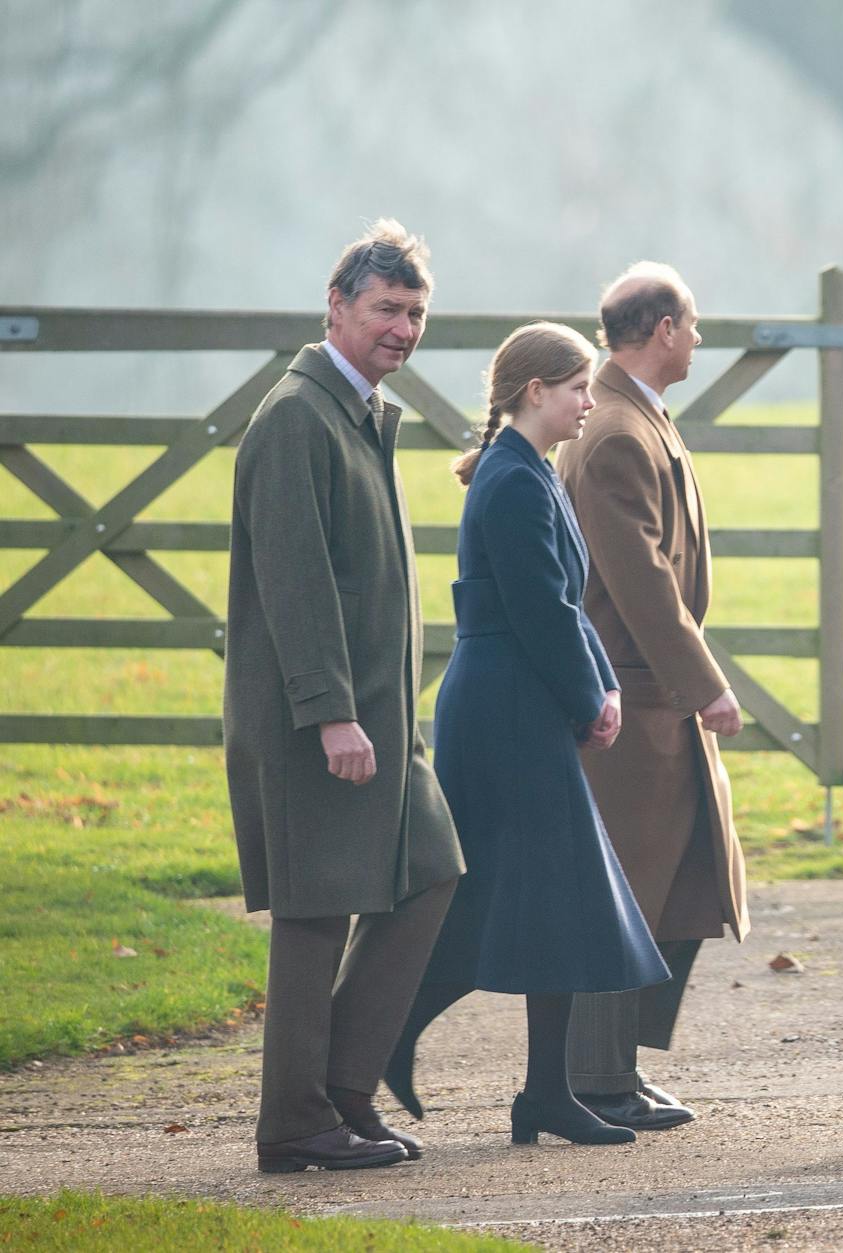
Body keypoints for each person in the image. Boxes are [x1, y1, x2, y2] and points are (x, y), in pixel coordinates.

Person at [382, 322, 671, 1147]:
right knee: (517, 896)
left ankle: (542, 1092)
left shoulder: (529, 470)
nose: (590, 402)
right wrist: (589, 697)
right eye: (579, 387)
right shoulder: (510, 480)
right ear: (534, 391)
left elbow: (565, 601)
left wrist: (603, 683)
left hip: (521, 695)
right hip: (506, 705)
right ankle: (382, 1034)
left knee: (552, 901)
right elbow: (539, 609)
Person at [225, 220, 464, 1173]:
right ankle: (292, 1123)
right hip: (317, 725)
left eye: (415, 313)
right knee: (316, 912)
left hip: (383, 729)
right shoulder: (296, 417)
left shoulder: (362, 412)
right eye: (385, 309)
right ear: (337, 307)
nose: (402, 329)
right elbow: (296, 582)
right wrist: (330, 712)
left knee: (432, 868)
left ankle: (344, 1089)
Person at [555, 262, 748, 1132]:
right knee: (626, 890)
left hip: (649, 701)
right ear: (663, 329)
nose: (699, 339)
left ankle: (618, 1065)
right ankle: (595, 1076)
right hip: (633, 705)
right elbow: (643, 583)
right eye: (693, 325)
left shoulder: (634, 415)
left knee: (671, 889)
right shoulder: (619, 433)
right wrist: (705, 684)